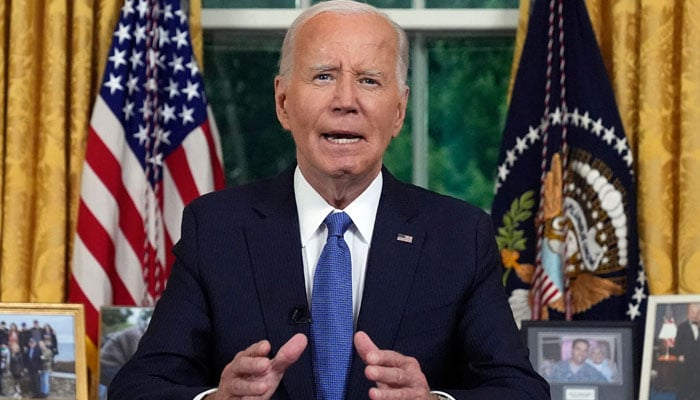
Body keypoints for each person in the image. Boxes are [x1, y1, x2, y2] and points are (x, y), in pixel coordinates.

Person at [108, 1, 550, 399]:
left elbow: (522, 392)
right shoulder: (216, 227)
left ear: (398, 112)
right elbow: (138, 388)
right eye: (323, 76)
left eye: (370, 80)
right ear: (283, 102)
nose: (345, 101)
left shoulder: (460, 236)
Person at [672, 302, 700, 400]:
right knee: (683, 391)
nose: (694, 314)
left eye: (697, 312)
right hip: (685, 366)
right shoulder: (682, 327)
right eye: (692, 312)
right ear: (688, 312)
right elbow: (676, 347)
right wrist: (679, 356)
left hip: (697, 365)